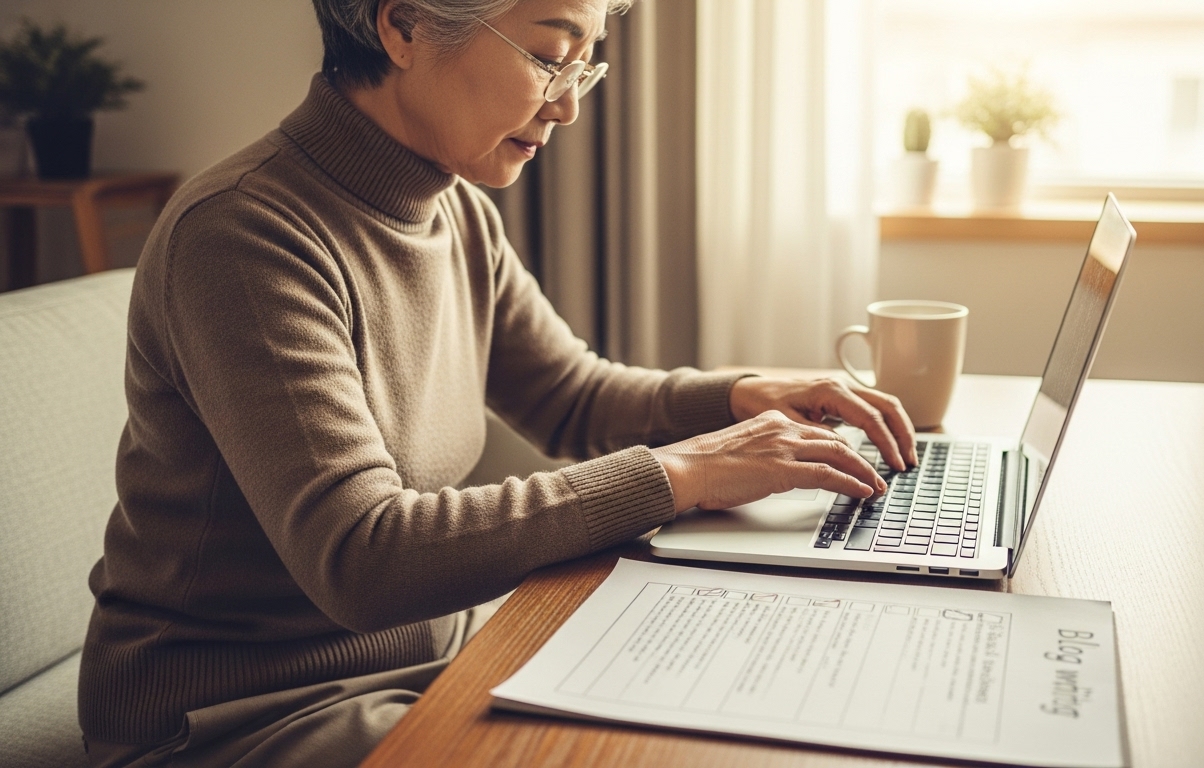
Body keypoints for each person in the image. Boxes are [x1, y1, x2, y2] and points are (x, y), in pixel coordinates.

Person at [78, 0, 917, 765]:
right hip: (237, 716)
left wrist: (742, 399)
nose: (568, 105)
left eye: (584, 66)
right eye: (551, 57)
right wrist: (685, 473)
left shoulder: (454, 207)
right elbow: (361, 557)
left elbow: (572, 396)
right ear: (401, 27)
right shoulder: (243, 234)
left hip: (432, 660)